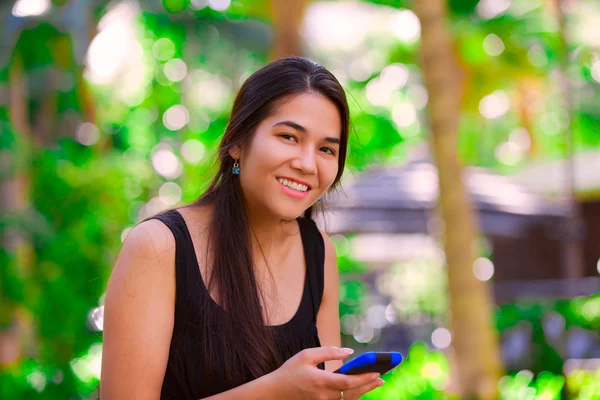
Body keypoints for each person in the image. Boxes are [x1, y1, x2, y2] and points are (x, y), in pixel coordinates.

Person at [100, 57, 384, 400]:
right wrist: (277, 391)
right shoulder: (160, 247)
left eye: (326, 149)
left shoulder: (319, 251)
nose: (307, 164)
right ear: (236, 143)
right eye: (289, 137)